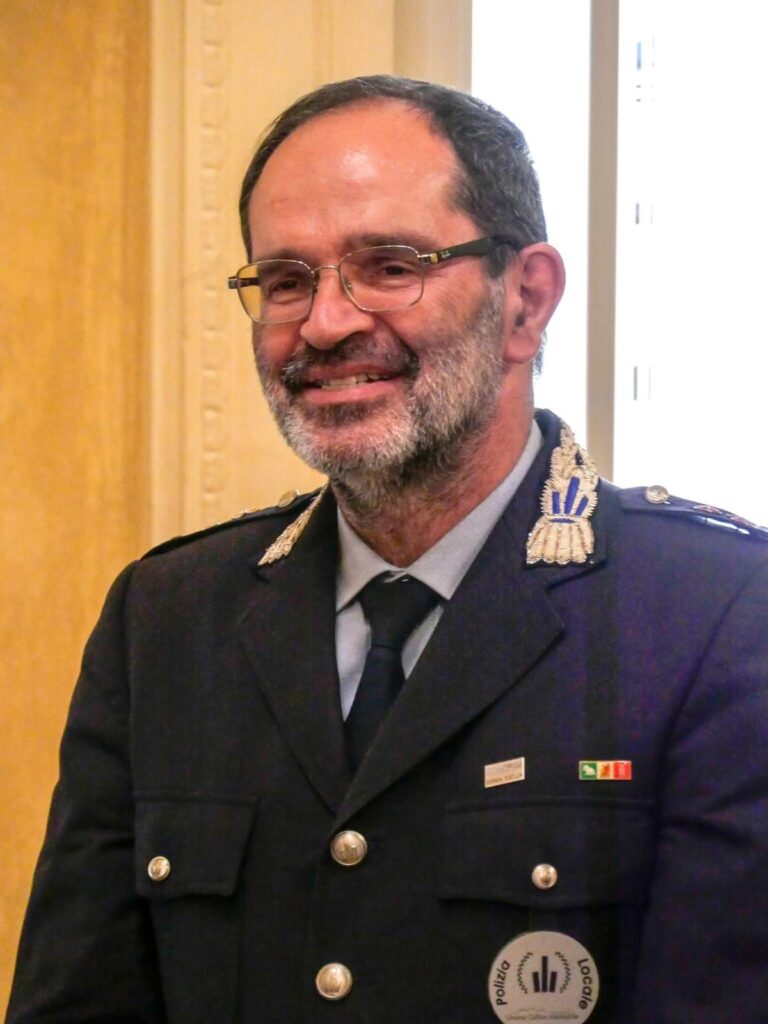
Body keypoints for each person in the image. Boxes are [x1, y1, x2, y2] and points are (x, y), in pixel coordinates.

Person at [6, 75, 768, 1024]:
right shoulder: (167, 620)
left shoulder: (716, 615)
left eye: (390, 265)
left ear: (526, 302)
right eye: (287, 281)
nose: (326, 323)